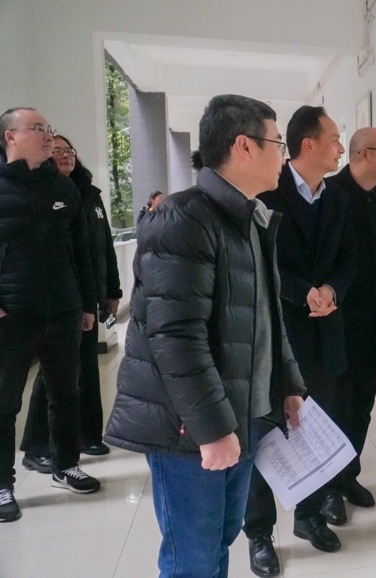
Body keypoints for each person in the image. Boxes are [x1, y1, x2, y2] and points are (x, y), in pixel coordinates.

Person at [104, 94, 306, 578]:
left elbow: (265, 315)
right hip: (191, 427)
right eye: (278, 143)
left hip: (241, 412)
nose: (284, 156)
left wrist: (289, 383)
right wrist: (212, 429)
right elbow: (175, 337)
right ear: (244, 146)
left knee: (220, 540)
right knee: (191, 558)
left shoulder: (250, 218)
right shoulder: (184, 219)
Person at [247, 105, 356, 574]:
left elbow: (349, 258)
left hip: (325, 330)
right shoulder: (267, 193)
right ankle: (259, 532)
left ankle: (308, 515)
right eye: (334, 138)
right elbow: (260, 264)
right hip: (277, 333)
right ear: (308, 144)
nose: (340, 147)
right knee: (265, 431)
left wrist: (332, 289)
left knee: (315, 426)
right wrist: (301, 291)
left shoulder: (338, 199)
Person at [0, 108, 99, 523]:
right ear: (10, 136)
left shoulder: (63, 187)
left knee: (66, 393)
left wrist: (87, 304)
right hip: (12, 313)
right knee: (5, 401)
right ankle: (3, 485)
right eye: (37, 128)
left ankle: (65, 464)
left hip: (62, 310)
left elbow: (81, 251)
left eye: (48, 128)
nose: (47, 135)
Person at [20, 135, 122, 474]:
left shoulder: (89, 195)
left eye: (69, 151)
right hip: (60, 300)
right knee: (53, 377)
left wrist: (112, 290)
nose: (65, 156)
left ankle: (87, 435)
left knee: (86, 371)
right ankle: (37, 446)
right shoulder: (43, 195)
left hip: (87, 297)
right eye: (58, 151)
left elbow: (104, 247)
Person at [324, 127, 376, 521]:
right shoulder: (330, 195)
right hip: (339, 326)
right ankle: (328, 489)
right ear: (364, 153)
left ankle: (348, 475)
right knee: (335, 410)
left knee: (363, 409)